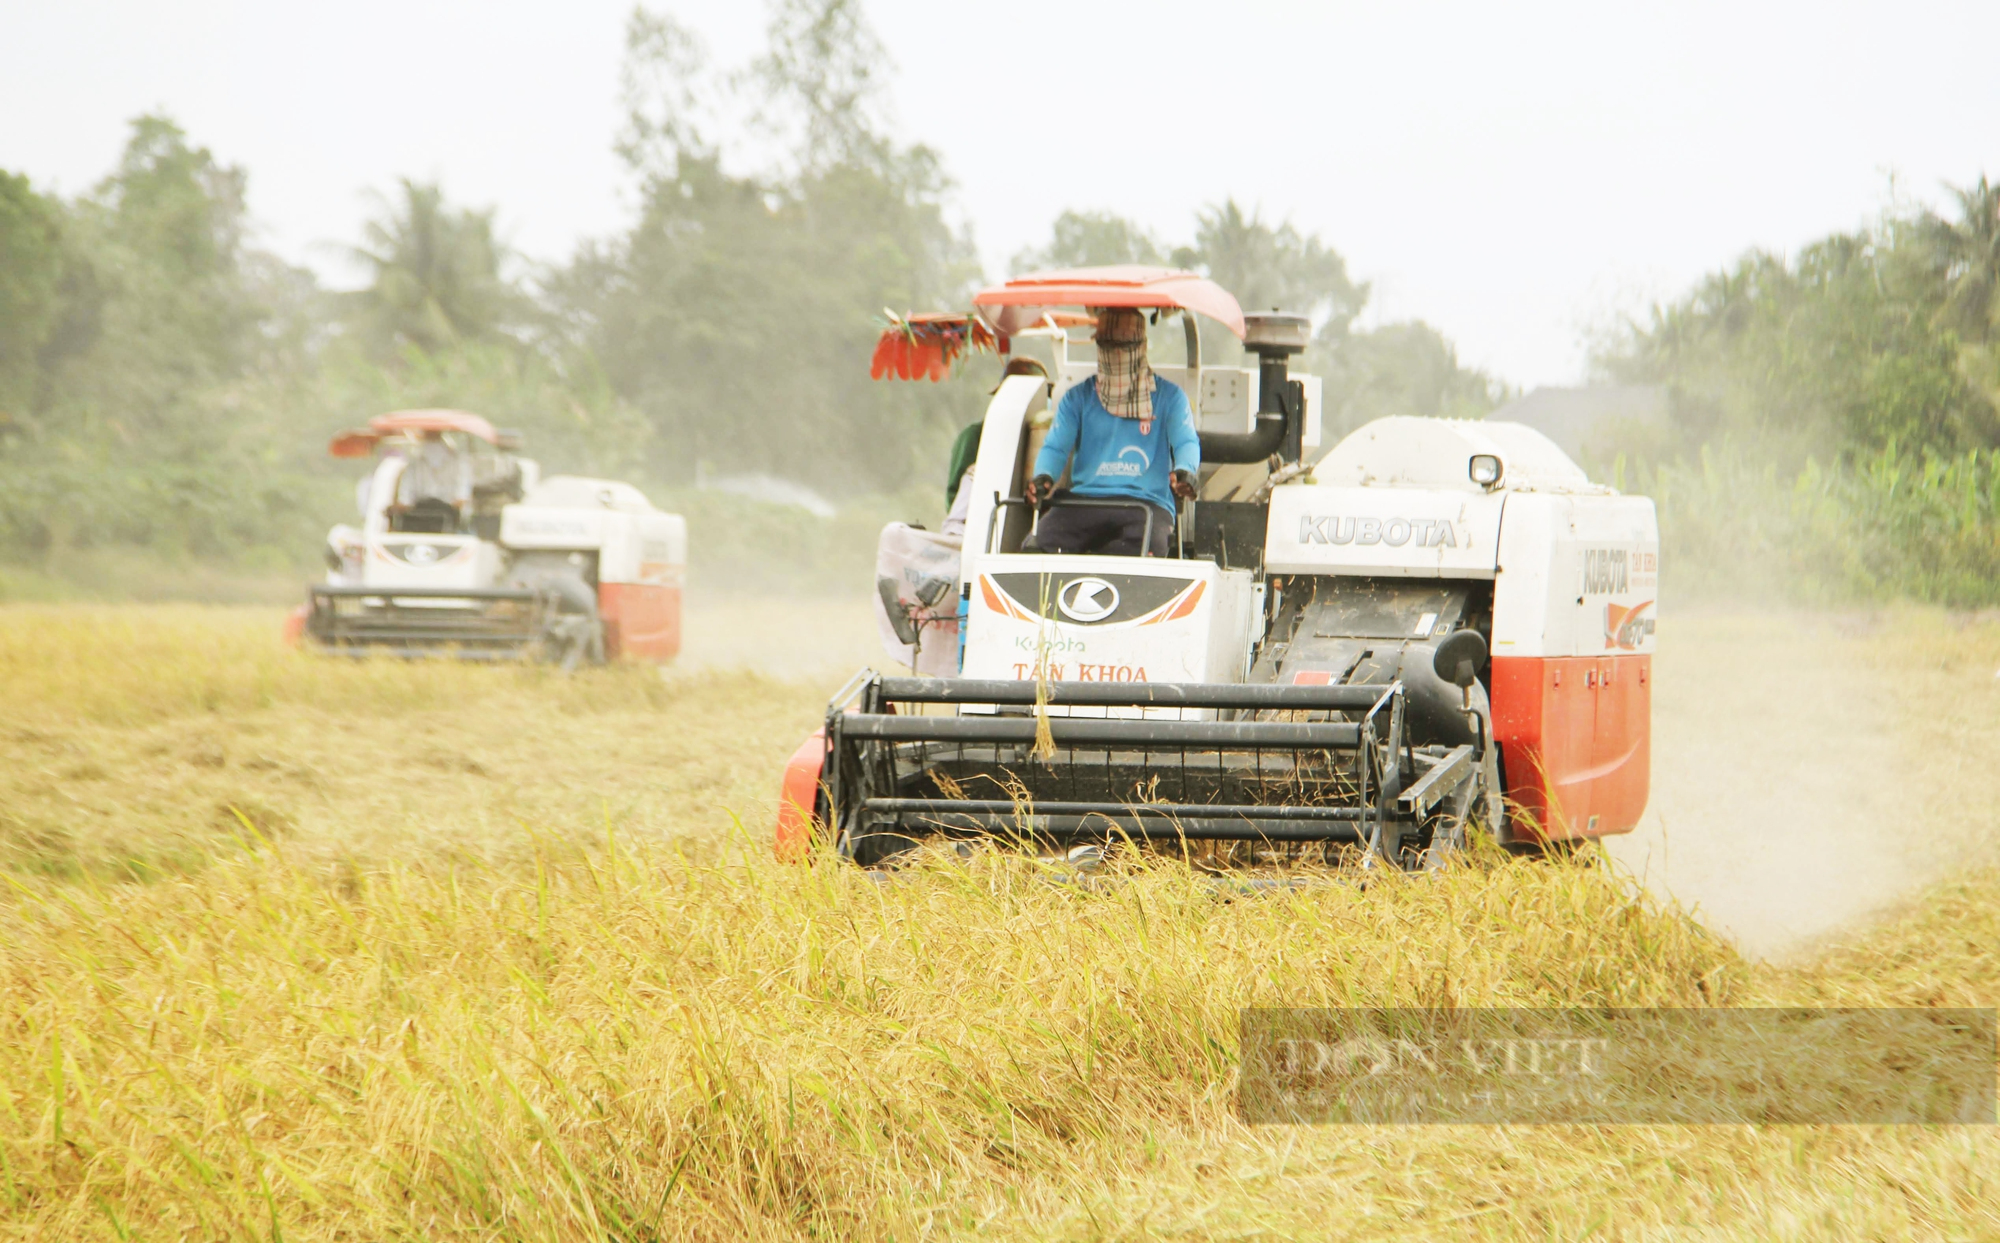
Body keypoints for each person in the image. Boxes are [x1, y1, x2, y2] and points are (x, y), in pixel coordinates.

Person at [1024, 307, 1198, 556]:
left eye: (1124, 345)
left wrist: (1186, 472)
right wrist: (1043, 476)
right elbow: (1055, 447)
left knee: (1145, 552)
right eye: (1107, 343)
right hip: (1085, 501)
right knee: (1035, 548)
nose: (1115, 352)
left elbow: (1186, 443)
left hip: (1147, 504)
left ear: (1142, 346)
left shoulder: (1170, 397)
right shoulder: (1078, 398)